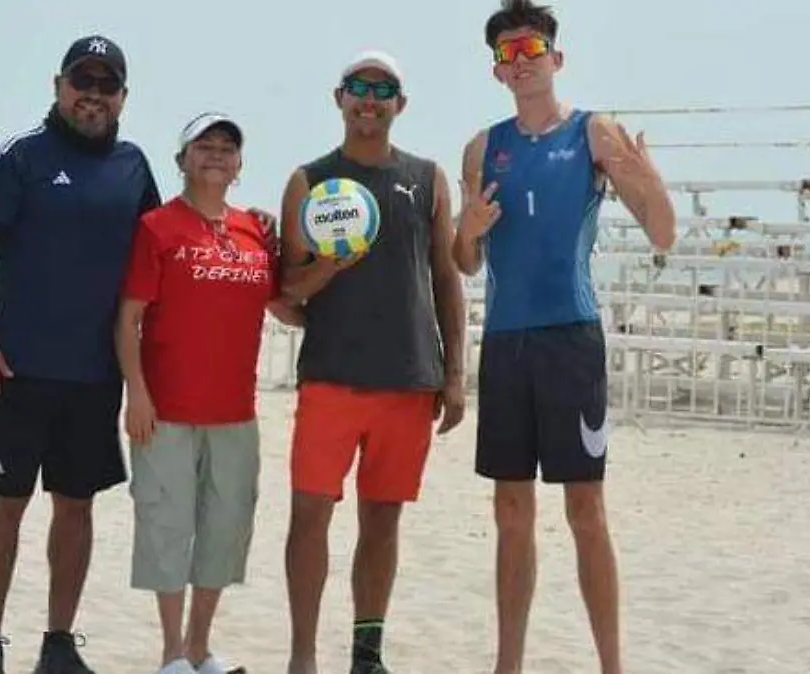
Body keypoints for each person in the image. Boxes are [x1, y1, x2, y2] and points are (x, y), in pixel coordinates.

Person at [451, 2, 676, 673]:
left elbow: (663, 234)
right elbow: (465, 262)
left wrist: (645, 176)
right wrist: (467, 228)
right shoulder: (481, 147)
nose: (521, 63)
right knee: (511, 510)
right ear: (496, 70)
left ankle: (612, 664)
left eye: (532, 48)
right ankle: (508, 664)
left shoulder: (593, 132)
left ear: (556, 57)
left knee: (585, 509)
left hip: (571, 340)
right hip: (507, 344)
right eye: (507, 54)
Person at [0, 34, 162, 674]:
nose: (92, 96)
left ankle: (58, 643)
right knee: (5, 504)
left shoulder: (134, 166)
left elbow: (161, 253)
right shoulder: (18, 158)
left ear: (123, 97)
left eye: (106, 85)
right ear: (58, 86)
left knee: (76, 505)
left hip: (95, 374)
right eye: (82, 82)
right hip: (16, 368)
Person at [277, 50, 468, 674]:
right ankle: (303, 656)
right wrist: (327, 269)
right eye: (358, 87)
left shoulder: (427, 177)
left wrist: (456, 375)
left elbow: (446, 278)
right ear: (339, 98)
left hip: (409, 380)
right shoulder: (310, 180)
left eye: (382, 89)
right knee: (310, 516)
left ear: (400, 105)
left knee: (381, 521)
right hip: (331, 375)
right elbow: (287, 289)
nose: (369, 98)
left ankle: (367, 654)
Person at [114, 112, 303, 674]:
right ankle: (171, 651)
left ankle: (200, 647)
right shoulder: (157, 227)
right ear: (183, 160)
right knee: (167, 527)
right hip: (166, 411)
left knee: (224, 531)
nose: (216, 154)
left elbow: (284, 306)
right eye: (205, 146)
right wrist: (137, 395)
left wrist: (341, 286)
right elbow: (128, 320)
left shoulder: (254, 232)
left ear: (240, 165)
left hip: (234, 414)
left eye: (227, 147)